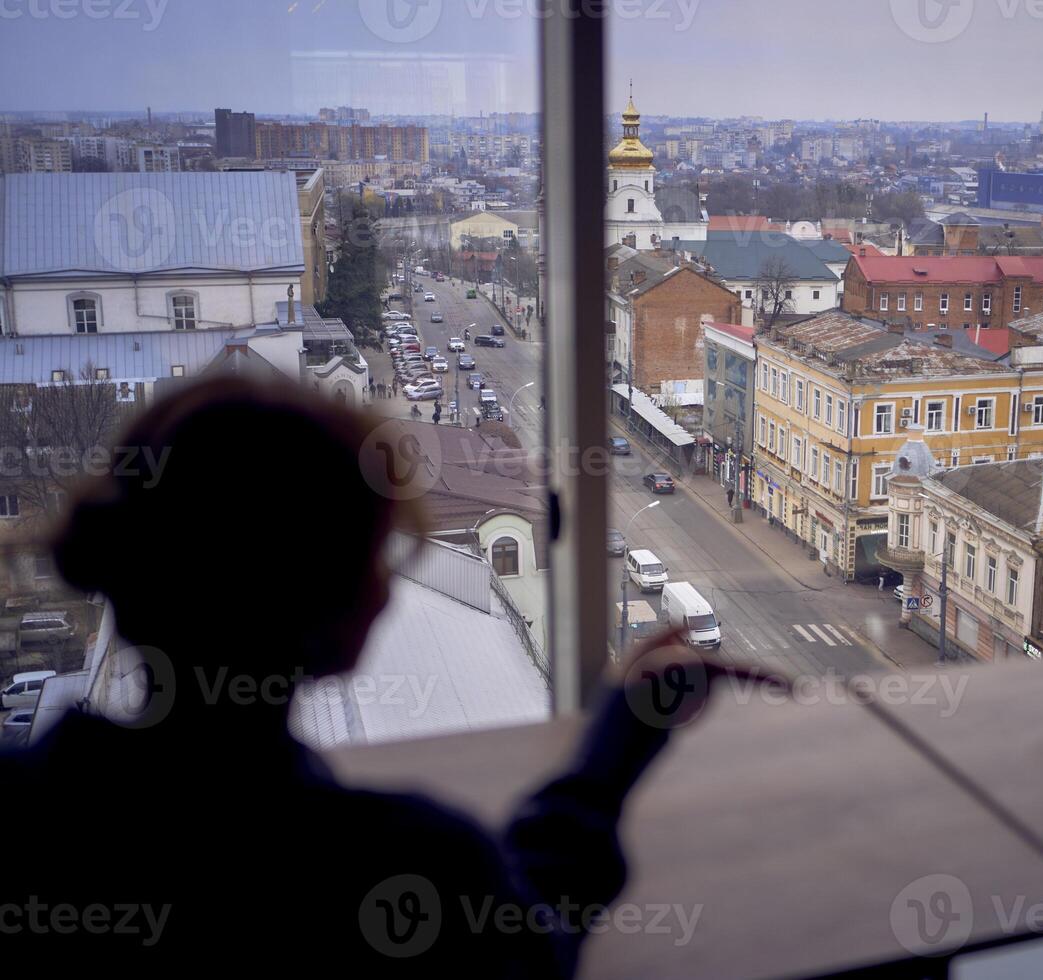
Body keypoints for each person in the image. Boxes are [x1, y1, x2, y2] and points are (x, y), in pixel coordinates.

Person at [0, 378, 767, 968]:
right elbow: (535, 949)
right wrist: (616, 747)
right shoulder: (394, 862)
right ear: (343, 608)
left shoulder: (31, 813)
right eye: (379, 553)